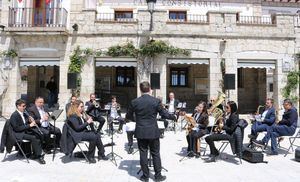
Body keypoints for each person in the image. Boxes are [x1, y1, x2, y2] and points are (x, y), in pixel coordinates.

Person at [126, 81, 176, 182]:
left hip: (141, 131)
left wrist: (138, 120)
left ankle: (145, 176)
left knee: (143, 153)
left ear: (140, 90)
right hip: (153, 131)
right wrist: (174, 116)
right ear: (149, 89)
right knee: (155, 153)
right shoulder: (156, 101)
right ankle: (158, 176)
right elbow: (164, 114)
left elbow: (128, 116)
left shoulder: (134, 102)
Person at [10, 99, 45, 164]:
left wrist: (30, 120)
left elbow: (24, 123)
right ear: (18, 106)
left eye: (25, 106)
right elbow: (17, 128)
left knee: (38, 134)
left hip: (24, 131)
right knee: (33, 137)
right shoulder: (14, 115)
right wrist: (29, 125)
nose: (24, 107)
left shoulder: (24, 113)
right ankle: (38, 156)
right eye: (23, 106)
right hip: (18, 133)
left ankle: (35, 153)